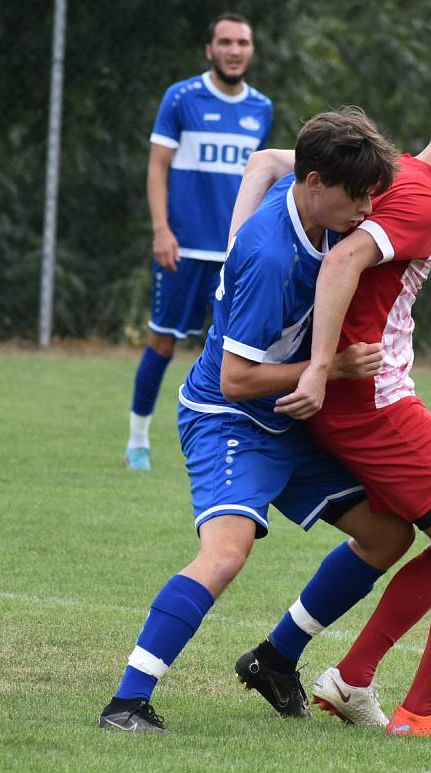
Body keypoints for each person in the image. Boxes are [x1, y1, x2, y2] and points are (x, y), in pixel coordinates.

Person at [98, 108, 417, 733]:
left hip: (286, 419)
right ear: (318, 183)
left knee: (388, 534)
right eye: (357, 198)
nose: (365, 212)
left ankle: (275, 659)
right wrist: (334, 369)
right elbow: (234, 380)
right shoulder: (273, 257)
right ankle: (127, 701)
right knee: (225, 554)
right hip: (228, 418)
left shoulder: (304, 195)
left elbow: (266, 160)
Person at [237, 89, 431, 742]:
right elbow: (341, 262)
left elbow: (264, 163)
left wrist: (232, 257)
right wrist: (317, 367)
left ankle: (347, 676)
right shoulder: (422, 198)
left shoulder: (386, 173)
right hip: (373, 408)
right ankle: (422, 711)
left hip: (364, 402)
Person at [124, 12, 273, 471]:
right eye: (225, 42)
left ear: (251, 50)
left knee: (242, 351)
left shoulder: (261, 108)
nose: (234, 50)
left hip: (235, 254)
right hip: (183, 249)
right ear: (210, 50)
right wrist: (161, 230)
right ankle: (138, 441)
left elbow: (262, 178)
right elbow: (157, 168)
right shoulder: (181, 98)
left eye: (242, 43)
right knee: (163, 342)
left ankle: (243, 443)